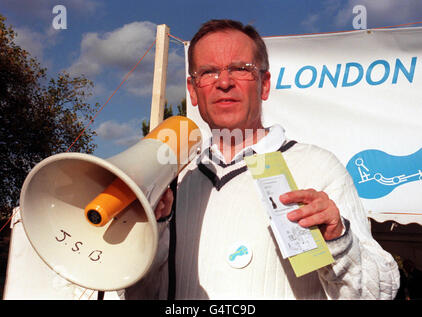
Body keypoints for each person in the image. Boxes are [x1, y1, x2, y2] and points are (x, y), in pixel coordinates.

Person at [123, 19, 400, 300]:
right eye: (208, 72)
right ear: (193, 91)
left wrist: (339, 240)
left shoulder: (318, 167)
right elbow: (138, 295)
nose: (224, 82)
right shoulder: (174, 181)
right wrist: (151, 234)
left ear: (264, 84)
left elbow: (379, 293)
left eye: (240, 69)